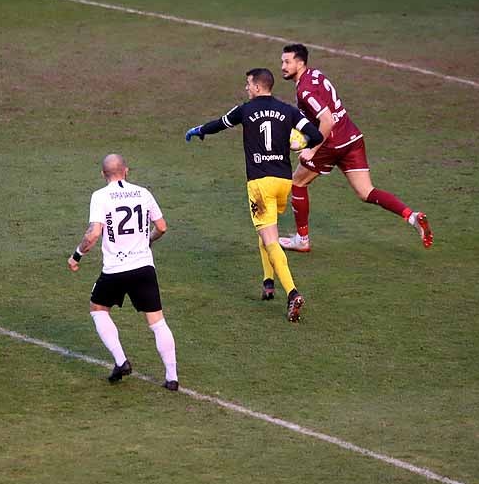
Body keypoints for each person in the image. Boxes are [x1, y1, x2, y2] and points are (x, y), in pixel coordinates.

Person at [185, 68, 324, 322]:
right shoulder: (288, 110)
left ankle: (292, 292)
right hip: (284, 182)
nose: (246, 88)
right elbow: (316, 135)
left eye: (248, 84)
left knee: (269, 237)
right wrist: (300, 143)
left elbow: (219, 124)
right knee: (267, 229)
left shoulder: (245, 110)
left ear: (258, 87)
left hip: (260, 184)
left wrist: (199, 130)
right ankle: (268, 281)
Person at [277, 43, 433, 253]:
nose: (283, 66)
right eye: (282, 62)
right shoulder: (315, 75)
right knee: (366, 191)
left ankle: (302, 240)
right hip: (351, 138)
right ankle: (411, 216)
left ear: (300, 62)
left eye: (287, 62)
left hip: (330, 144)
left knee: (297, 183)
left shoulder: (305, 90)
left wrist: (312, 150)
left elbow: (327, 120)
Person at [67, 153, 179, 391]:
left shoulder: (100, 196)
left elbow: (94, 233)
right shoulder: (143, 193)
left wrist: (77, 255)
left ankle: (121, 361)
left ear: (102, 174)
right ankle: (172, 377)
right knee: (157, 322)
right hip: (143, 267)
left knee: (98, 309)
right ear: (126, 170)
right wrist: (147, 240)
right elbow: (162, 227)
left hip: (115, 270)